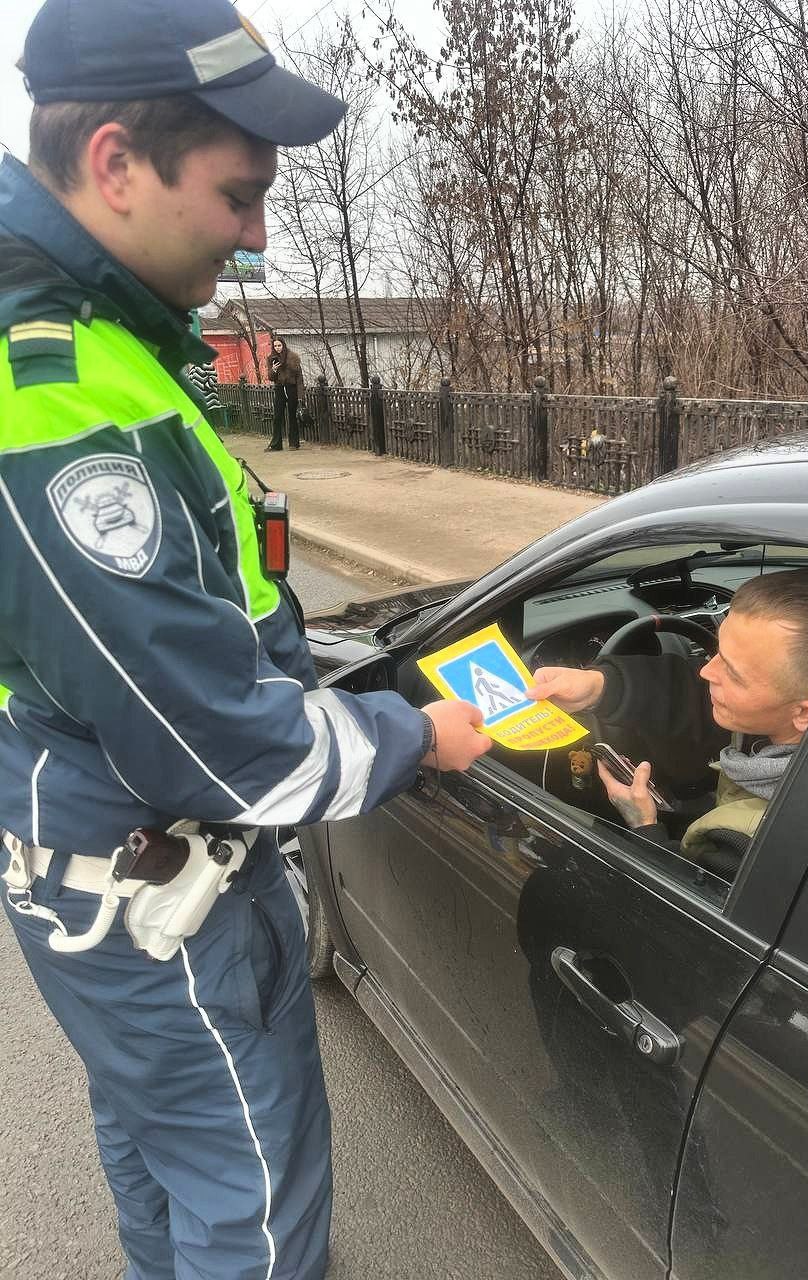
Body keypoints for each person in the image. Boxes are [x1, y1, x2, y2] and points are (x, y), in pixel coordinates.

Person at [0, 3, 490, 1278]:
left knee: (160, 1138)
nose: (259, 234)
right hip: (158, 884)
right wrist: (419, 730)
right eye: (239, 192)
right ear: (116, 163)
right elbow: (215, 745)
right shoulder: (56, 392)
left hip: (97, 866)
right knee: (252, 1197)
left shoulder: (101, 341)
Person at [527, 568, 808, 877]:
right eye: (717, 654)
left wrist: (644, 825)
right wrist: (599, 687)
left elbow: (684, 913)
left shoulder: (764, 845)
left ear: (805, 714)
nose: (707, 671)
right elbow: (693, 698)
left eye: (734, 675)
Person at [266, 335, 303, 451]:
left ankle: (294, 443)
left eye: (279, 345)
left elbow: (299, 379)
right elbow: (270, 377)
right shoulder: (271, 358)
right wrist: (274, 369)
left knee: (292, 416)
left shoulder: (293, 357)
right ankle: (276, 444)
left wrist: (300, 396)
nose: (277, 348)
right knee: (277, 416)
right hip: (280, 388)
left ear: (283, 345)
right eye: (275, 346)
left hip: (291, 388)